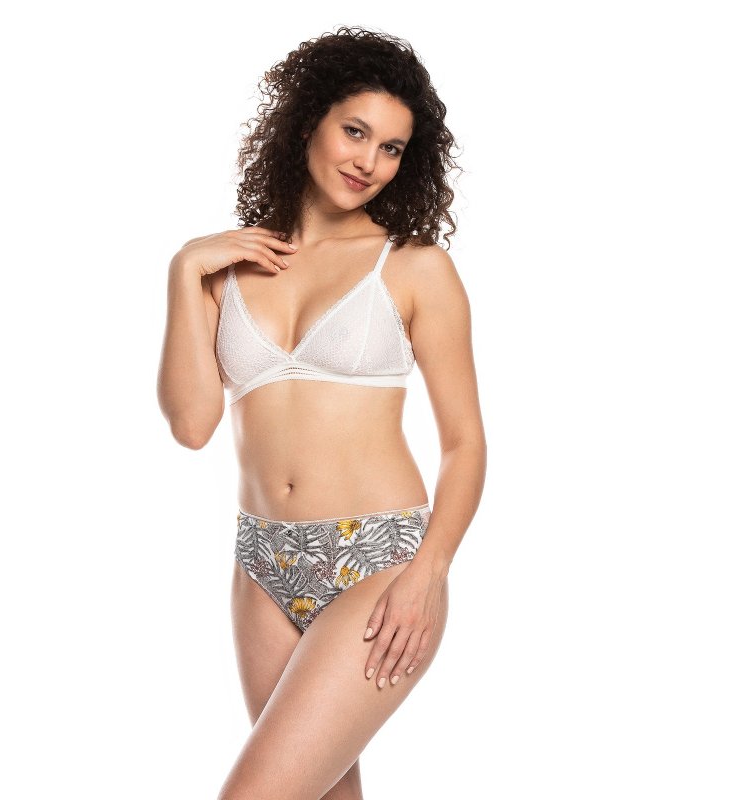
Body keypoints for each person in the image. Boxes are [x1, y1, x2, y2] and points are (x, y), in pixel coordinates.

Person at [157, 25, 487, 800]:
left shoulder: (414, 267)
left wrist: (428, 572)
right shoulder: (226, 270)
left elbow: (465, 443)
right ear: (309, 120)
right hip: (261, 562)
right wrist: (183, 272)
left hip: (380, 560)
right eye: (356, 131)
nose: (368, 161)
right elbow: (192, 426)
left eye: (392, 148)